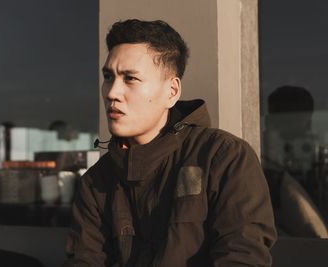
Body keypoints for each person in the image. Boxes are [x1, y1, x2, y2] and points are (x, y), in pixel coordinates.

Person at [64, 19, 276, 266]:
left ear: (172, 92)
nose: (112, 92)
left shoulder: (224, 157)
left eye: (130, 78)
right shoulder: (97, 181)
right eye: (108, 77)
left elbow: (244, 258)